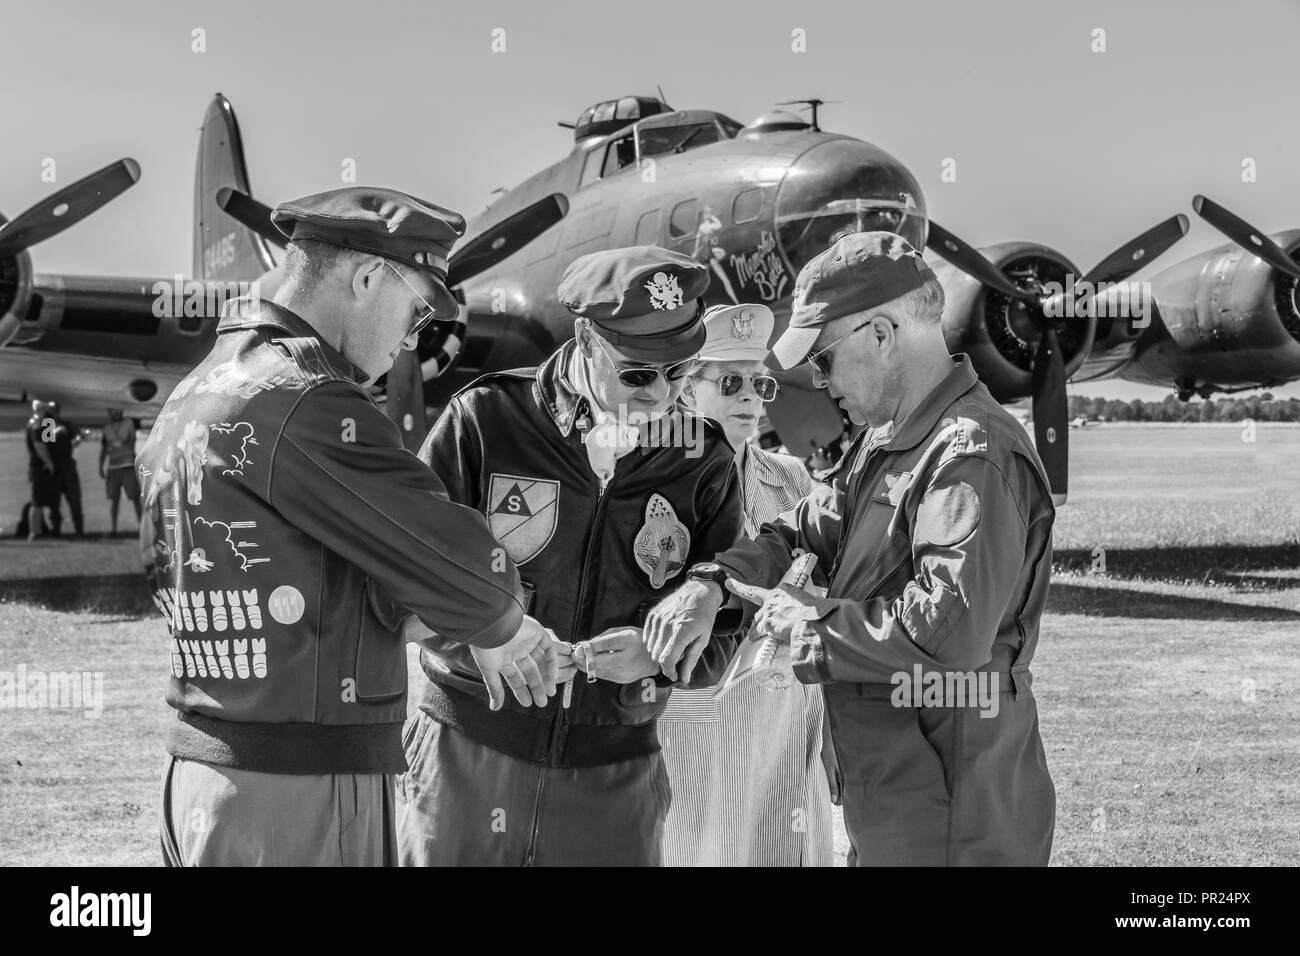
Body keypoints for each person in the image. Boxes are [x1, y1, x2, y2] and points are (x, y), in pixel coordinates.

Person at [138, 186, 559, 867]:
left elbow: (304, 571)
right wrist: (504, 624)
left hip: (203, 767)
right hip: (297, 788)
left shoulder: (195, 392)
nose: (413, 339)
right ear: (367, 277)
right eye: (418, 311)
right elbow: (460, 567)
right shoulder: (306, 397)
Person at [644, 231, 1057, 866]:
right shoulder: (891, 442)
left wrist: (805, 623)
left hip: (953, 804)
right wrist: (714, 583)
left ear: (881, 334)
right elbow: (803, 529)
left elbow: (947, 632)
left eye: (824, 357)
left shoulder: (969, 452)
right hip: (898, 792)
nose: (817, 380)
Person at [398, 246, 746, 867]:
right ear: (586, 339)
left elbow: (726, 620)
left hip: (616, 769)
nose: (662, 397)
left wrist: (660, 659)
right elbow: (408, 573)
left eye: (682, 374)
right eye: (638, 375)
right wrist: (485, 638)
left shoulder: (704, 460)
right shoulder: (485, 421)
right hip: (468, 751)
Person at [657, 302, 834, 866]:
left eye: (761, 383)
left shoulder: (793, 477)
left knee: (781, 847)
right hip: (690, 715)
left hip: (781, 714)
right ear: (686, 388)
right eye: (731, 382)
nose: (752, 398)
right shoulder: (649, 481)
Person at [100, 407, 142, 536]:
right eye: (111, 411)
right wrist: (100, 466)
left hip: (128, 465)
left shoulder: (129, 423)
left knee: (135, 498)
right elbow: (104, 448)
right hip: (113, 467)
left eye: (116, 410)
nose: (114, 413)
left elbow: (130, 438)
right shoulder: (106, 428)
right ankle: (114, 529)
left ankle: (142, 528)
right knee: (114, 500)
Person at [23, 400, 59, 540]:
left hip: (38, 466)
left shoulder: (42, 422)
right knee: (37, 501)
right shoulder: (37, 424)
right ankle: (34, 532)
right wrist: (49, 462)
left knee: (41, 499)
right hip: (39, 467)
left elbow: (49, 441)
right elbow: (40, 447)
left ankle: (40, 529)